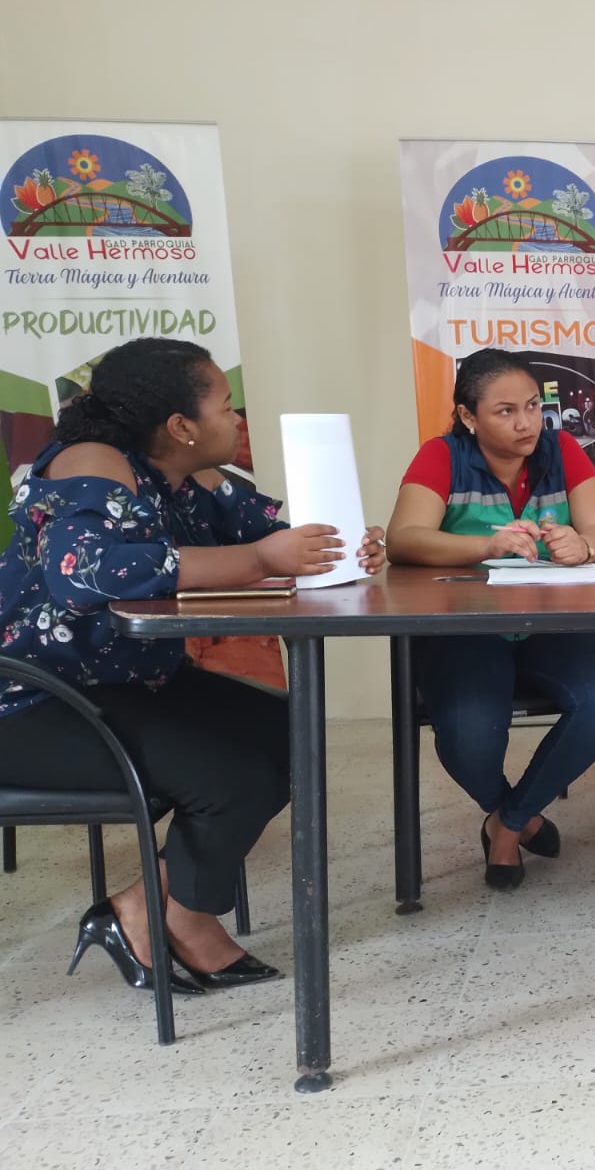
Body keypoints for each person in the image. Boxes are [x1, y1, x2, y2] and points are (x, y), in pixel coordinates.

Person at [0, 337, 385, 993]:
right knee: (229, 777)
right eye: (227, 406)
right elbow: (84, 572)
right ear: (181, 426)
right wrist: (261, 561)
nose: (238, 419)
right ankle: (163, 917)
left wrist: (344, 543)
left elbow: (266, 532)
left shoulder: (185, 475)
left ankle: (154, 909)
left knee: (292, 735)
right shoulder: (90, 462)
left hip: (125, 682)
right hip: (34, 701)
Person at [386, 348, 595, 890]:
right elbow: (402, 540)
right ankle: (520, 815)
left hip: (553, 622)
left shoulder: (562, 449)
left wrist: (584, 545)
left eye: (533, 406)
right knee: (470, 735)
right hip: (466, 628)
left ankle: (509, 824)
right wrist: (485, 545)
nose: (527, 423)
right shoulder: (442, 455)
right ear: (468, 416)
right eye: (505, 411)